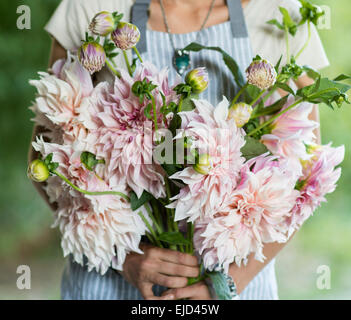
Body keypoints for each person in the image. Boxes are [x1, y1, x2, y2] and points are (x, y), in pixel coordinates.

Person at [28, 0, 329, 300]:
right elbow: (45, 160)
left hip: (237, 283)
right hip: (110, 284)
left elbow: (306, 181)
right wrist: (121, 258)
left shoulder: (283, 14)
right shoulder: (91, 8)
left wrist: (228, 284)